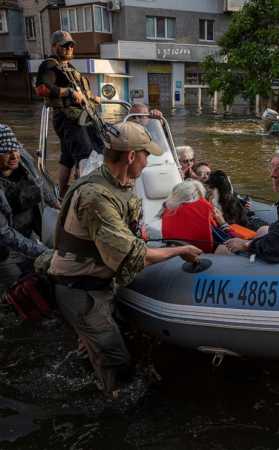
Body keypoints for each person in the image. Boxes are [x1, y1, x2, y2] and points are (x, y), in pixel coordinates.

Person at [48, 121, 202, 396]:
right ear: (131, 156)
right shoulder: (96, 196)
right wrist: (180, 250)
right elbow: (133, 256)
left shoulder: (117, 182)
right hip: (80, 288)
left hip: (98, 283)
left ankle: (91, 359)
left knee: (112, 343)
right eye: (146, 155)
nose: (148, 162)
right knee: (116, 359)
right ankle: (112, 405)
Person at [35, 30, 104, 199]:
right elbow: (41, 89)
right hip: (68, 119)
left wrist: (92, 98)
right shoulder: (49, 65)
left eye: (71, 45)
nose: (69, 48)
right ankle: (82, 200)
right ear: (54, 46)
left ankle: (62, 196)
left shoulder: (68, 67)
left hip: (78, 118)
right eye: (65, 46)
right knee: (87, 156)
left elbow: (79, 92)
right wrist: (68, 92)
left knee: (68, 158)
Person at [0, 124, 58, 294]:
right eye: (5, 151)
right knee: (19, 291)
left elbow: (39, 182)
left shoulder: (22, 158)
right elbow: (5, 234)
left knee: (42, 280)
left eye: (15, 149)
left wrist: (56, 204)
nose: (13, 155)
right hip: (5, 247)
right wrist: (43, 252)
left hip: (28, 230)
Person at [160, 179, 235, 253]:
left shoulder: (166, 210)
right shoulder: (201, 211)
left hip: (175, 253)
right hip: (203, 256)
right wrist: (223, 223)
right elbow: (230, 241)